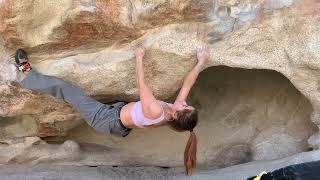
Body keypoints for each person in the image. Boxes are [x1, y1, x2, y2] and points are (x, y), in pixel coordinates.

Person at [14, 45, 210, 175]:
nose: (183, 102)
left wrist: (140, 56)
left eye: (185, 106)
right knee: (113, 103)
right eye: (186, 103)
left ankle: (27, 73)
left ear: (177, 114)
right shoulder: (172, 114)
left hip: (104, 118)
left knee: (67, 90)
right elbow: (188, 84)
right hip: (119, 116)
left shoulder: (156, 110)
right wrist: (201, 61)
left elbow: (142, 83)